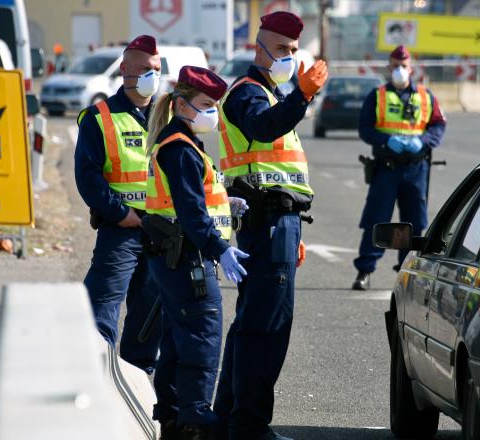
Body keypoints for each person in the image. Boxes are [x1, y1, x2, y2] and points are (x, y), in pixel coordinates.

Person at [213, 11, 328, 440]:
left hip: (280, 222)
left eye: (295, 51)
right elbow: (263, 130)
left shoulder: (272, 97)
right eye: (281, 49)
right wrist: (301, 95)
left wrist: (293, 226)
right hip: (267, 222)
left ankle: (228, 419)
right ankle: (249, 426)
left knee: (251, 325)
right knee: (267, 329)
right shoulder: (248, 94)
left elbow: (283, 171)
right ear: (258, 48)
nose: (289, 58)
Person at [144, 66, 247, 440]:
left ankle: (172, 415)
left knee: (177, 338)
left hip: (174, 256)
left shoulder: (180, 143)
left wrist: (225, 203)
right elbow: (190, 213)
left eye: (215, 105)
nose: (213, 113)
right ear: (182, 105)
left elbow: (190, 200)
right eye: (206, 104)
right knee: (203, 335)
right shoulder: (181, 149)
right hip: (188, 258)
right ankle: (195, 420)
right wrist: (222, 249)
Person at [74, 35, 163, 372]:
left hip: (159, 228)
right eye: (143, 69)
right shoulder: (99, 117)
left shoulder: (167, 118)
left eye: (155, 69)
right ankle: (97, 375)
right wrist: (120, 212)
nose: (151, 76)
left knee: (150, 310)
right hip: (121, 228)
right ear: (124, 70)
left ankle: (138, 378)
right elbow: (88, 177)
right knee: (102, 305)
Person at [351, 45, 446, 290]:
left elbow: (438, 126)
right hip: (386, 168)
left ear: (411, 68)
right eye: (395, 65)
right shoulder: (377, 95)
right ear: (389, 67)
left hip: (416, 168)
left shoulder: (426, 96)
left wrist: (422, 141)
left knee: (414, 223)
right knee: (376, 218)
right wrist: (385, 140)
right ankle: (364, 271)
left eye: (404, 66)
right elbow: (365, 128)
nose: (400, 70)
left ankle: (407, 273)